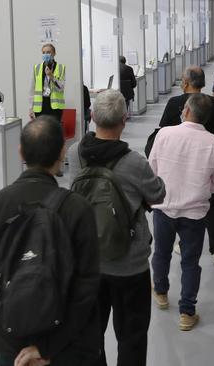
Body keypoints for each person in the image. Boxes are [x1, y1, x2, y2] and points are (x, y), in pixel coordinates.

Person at [0, 116, 101, 366]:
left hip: (10, 347)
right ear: (62, 152)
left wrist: (5, 328)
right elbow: (86, 287)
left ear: (20, 152)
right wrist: (46, 347)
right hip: (67, 346)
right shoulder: (78, 209)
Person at [68, 90, 165, 366]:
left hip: (88, 261)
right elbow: (158, 195)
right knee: (132, 337)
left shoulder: (77, 154)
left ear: (91, 117)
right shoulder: (134, 161)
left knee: (91, 335)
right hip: (129, 264)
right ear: (124, 120)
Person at [149, 94, 214, 331]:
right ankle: (187, 312)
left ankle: (160, 292)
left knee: (161, 253)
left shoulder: (164, 134)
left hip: (164, 207)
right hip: (195, 213)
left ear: (187, 111)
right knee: (190, 262)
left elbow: (152, 169)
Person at [159, 66, 214, 265]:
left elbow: (163, 133)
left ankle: (182, 243)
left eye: (182, 79)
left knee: (182, 208)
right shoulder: (213, 102)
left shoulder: (174, 103)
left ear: (186, 82)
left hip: (179, 164)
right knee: (212, 208)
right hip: (205, 164)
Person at [29, 43, 66, 122]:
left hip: (55, 107)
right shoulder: (37, 68)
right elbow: (32, 90)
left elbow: (61, 87)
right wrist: (31, 108)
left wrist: (51, 76)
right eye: (44, 53)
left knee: (53, 131)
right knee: (41, 131)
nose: (46, 54)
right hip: (40, 106)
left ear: (54, 53)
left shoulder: (60, 68)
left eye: (48, 52)